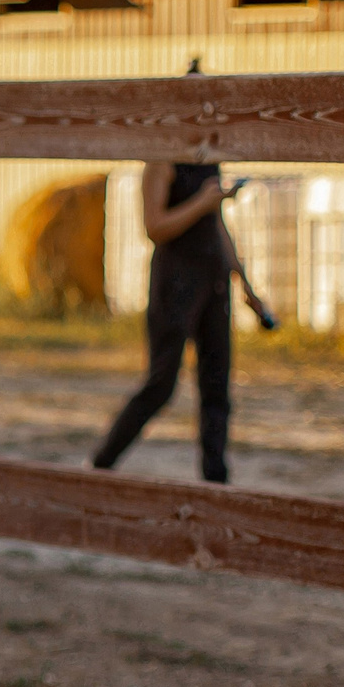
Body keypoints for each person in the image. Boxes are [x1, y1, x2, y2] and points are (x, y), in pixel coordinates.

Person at [91, 156, 247, 483]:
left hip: (213, 279)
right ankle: (100, 464)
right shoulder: (161, 161)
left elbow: (216, 222)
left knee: (216, 385)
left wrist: (245, 282)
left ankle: (215, 480)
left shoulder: (209, 160)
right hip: (175, 281)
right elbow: (155, 227)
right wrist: (201, 202)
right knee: (161, 383)